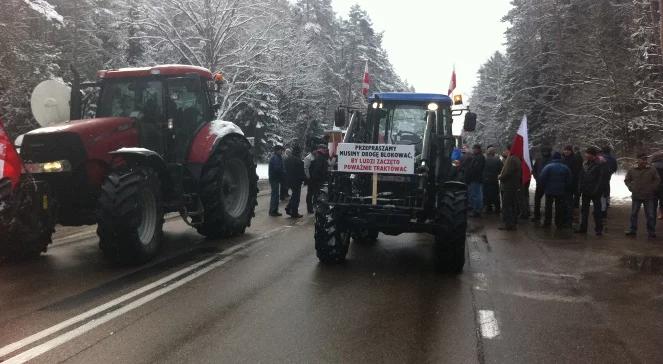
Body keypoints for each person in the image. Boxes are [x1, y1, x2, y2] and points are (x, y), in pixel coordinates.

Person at [624, 153, 660, 238]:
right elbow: (627, 180)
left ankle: (651, 231)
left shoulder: (652, 169)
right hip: (636, 195)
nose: (644, 161)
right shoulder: (632, 169)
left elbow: (657, 179)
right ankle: (633, 230)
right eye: (642, 159)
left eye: (645, 159)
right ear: (638, 160)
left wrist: (652, 188)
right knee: (633, 214)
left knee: (650, 215)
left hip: (649, 196)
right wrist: (631, 187)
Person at [576, 147, 607, 235]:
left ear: (592, 155)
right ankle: (583, 228)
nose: (586, 155)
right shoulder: (585, 164)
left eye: (587, 153)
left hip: (595, 192)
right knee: (584, 211)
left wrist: (596, 190)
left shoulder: (600, 164)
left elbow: (601, 179)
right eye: (586, 153)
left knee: (597, 211)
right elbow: (581, 177)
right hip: (585, 191)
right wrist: (580, 188)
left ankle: (599, 229)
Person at [538, 152, 572, 228]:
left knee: (548, 207)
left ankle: (547, 222)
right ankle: (559, 223)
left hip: (549, 190)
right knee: (559, 207)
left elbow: (542, 178)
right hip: (560, 191)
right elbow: (569, 180)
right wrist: (565, 187)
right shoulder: (565, 167)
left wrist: (544, 186)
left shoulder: (548, 167)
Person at [498, 144, 522, 230]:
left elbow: (508, 173)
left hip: (509, 185)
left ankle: (509, 224)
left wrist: (501, 177)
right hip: (514, 185)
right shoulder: (516, 158)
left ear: (509, 150)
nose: (505, 152)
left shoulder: (511, 159)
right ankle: (513, 222)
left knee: (507, 205)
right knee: (512, 204)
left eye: (506, 150)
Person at [284, 145, 306, 218]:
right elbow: (301, 173)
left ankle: (289, 207)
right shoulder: (299, 161)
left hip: (288, 180)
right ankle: (294, 212)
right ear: (298, 152)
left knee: (294, 195)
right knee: (296, 197)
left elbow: (285, 170)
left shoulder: (287, 159)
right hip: (296, 181)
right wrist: (304, 180)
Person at [531, 147, 552, 223]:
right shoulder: (539, 160)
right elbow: (534, 170)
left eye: (547, 151)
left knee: (548, 202)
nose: (545, 152)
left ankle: (547, 219)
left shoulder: (552, 160)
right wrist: (536, 178)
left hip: (548, 184)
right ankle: (537, 216)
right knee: (537, 199)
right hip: (540, 183)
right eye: (544, 151)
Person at [307, 145, 329, 214]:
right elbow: (318, 169)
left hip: (315, 179)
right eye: (324, 149)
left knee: (314, 194)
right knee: (316, 194)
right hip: (317, 180)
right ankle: (315, 208)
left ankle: (313, 207)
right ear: (321, 149)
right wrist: (322, 177)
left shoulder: (318, 156)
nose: (325, 150)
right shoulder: (320, 157)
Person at [466, 144, 486, 217]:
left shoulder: (479, 158)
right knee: (477, 195)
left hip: (476, 179)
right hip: (476, 179)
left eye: (474, 149)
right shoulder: (478, 157)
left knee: (476, 195)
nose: (473, 150)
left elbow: (476, 169)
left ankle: (477, 210)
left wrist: (470, 173)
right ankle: (477, 210)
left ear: (477, 149)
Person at [562, 145, 583, 213]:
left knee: (569, 200)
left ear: (571, 151)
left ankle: (570, 217)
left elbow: (576, 171)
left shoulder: (575, 159)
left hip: (572, 182)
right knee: (564, 200)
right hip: (563, 182)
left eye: (568, 150)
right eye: (565, 150)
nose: (566, 151)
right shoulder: (562, 158)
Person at [483, 146, 503, 214]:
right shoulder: (497, 160)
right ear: (494, 152)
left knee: (486, 194)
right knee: (495, 195)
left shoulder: (484, 160)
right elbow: (501, 170)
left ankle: (488, 208)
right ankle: (497, 209)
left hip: (485, 179)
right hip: (494, 179)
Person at [600, 146, 618, 218]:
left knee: (601, 192)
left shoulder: (600, 158)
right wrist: (610, 172)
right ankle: (607, 202)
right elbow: (615, 168)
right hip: (608, 176)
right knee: (607, 187)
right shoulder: (613, 158)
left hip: (600, 176)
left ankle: (602, 209)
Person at [268, 145, 285, 216]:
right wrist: (283, 172)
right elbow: (277, 168)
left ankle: (274, 210)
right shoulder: (275, 158)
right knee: (275, 195)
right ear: (277, 150)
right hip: (274, 178)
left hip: (275, 178)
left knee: (276, 195)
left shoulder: (277, 157)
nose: (282, 152)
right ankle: (273, 211)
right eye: (281, 150)